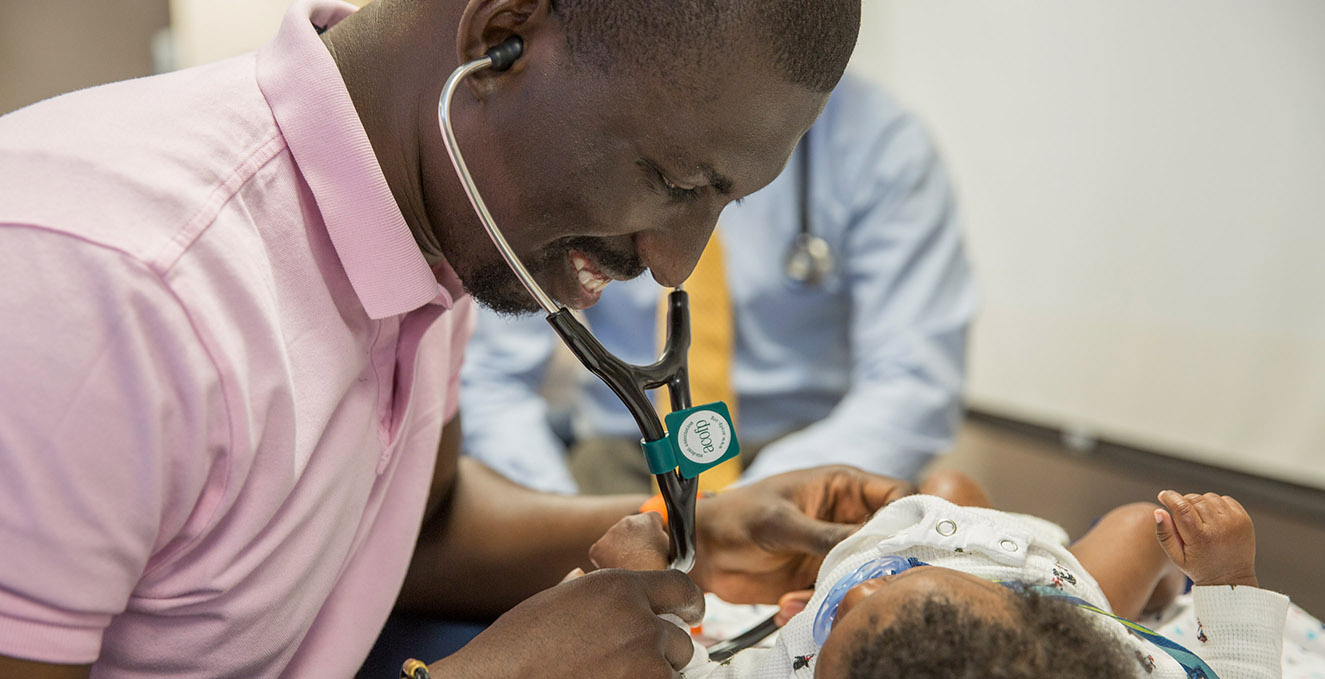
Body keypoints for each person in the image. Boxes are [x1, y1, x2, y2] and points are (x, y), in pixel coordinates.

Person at [0, 0, 916, 676]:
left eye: (724, 201)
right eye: (674, 181)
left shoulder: (438, 215)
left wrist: (696, 535)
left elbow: (414, 530)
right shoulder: (105, 289)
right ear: (500, 37)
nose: (675, 262)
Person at [460, 73, 977, 495]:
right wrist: (555, 510)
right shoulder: (578, 126)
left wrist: (754, 501)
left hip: (810, 454)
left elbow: (914, 385)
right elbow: (488, 375)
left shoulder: (881, 144)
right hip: (625, 454)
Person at [591, 472, 1291, 679]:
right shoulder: (1106, 659)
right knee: (1143, 523)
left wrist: (629, 582)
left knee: (945, 483)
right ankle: (1165, 590)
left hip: (905, 538)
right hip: (1036, 569)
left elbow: (671, 666)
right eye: (878, 594)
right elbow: (1243, 668)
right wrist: (1227, 571)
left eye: (847, 621)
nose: (862, 591)